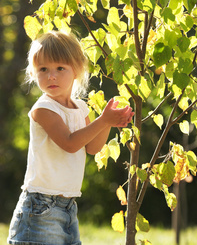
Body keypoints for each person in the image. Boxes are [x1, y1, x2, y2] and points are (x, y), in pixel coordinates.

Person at [7, 30, 134, 245]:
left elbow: (92, 147)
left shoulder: (80, 107)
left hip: (68, 206)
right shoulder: (44, 108)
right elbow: (69, 143)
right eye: (43, 69)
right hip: (39, 207)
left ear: (76, 70)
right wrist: (102, 121)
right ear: (34, 72)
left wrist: (109, 123)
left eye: (60, 68)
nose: (51, 76)